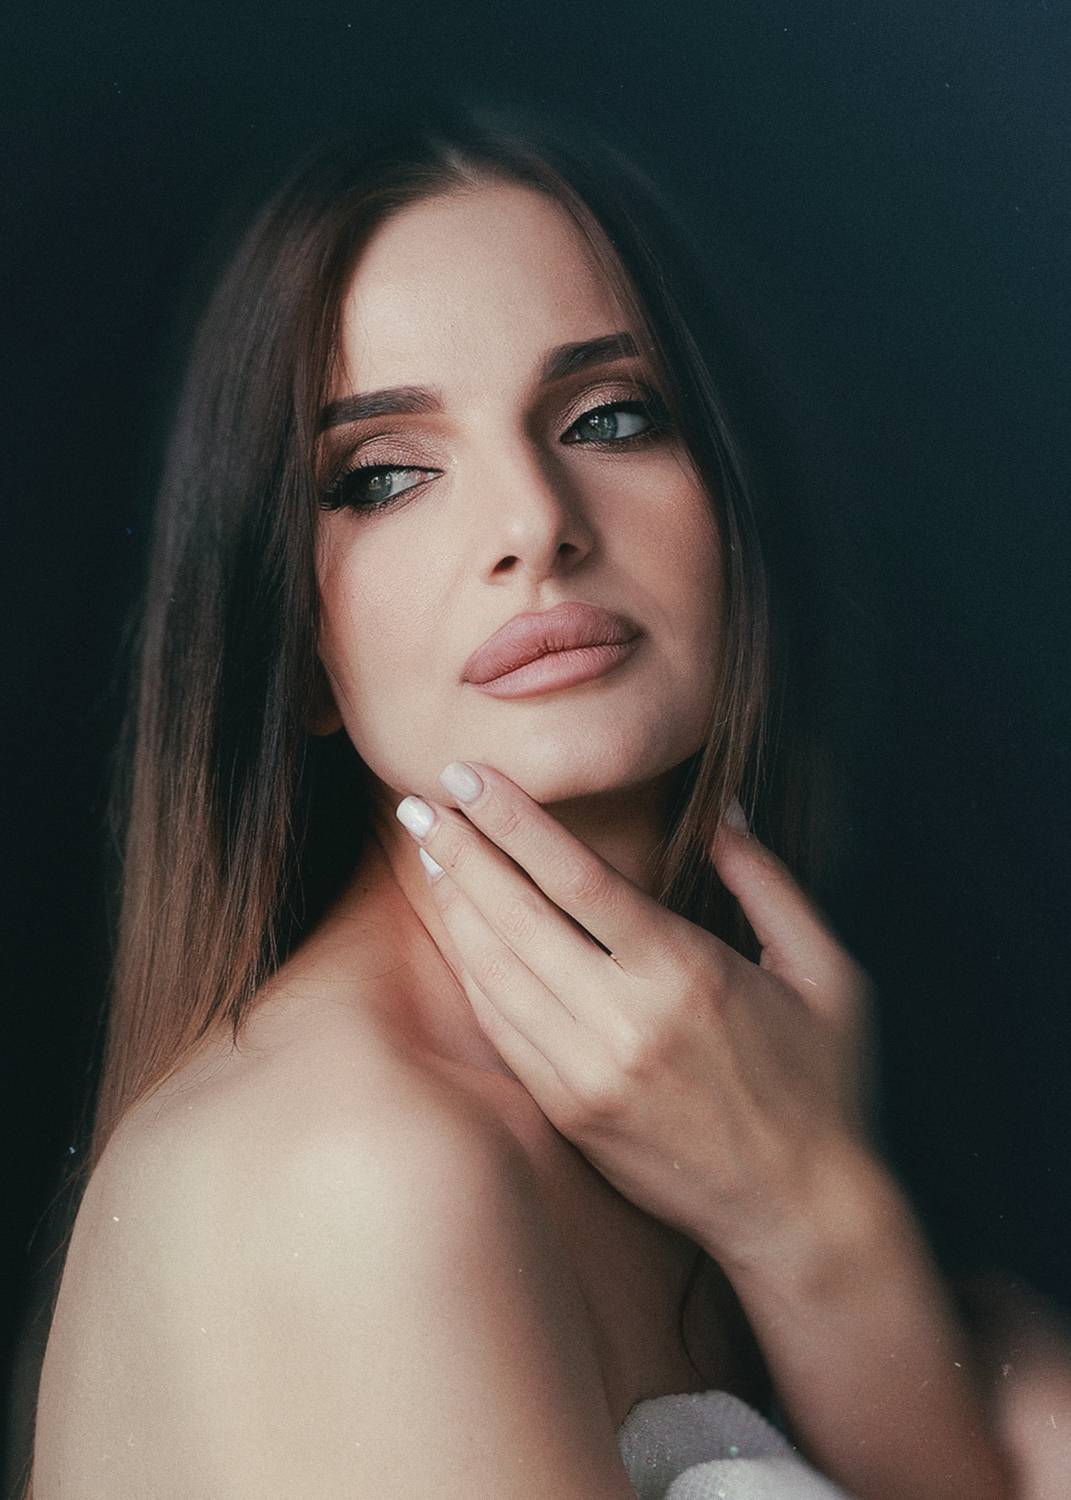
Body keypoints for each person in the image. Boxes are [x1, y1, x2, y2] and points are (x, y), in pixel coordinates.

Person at [22, 95, 1063, 1499]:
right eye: (385, 477)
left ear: (735, 502)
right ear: (296, 642)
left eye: (611, 417)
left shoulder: (744, 1099)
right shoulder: (350, 1170)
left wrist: (821, 1224)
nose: (533, 523)